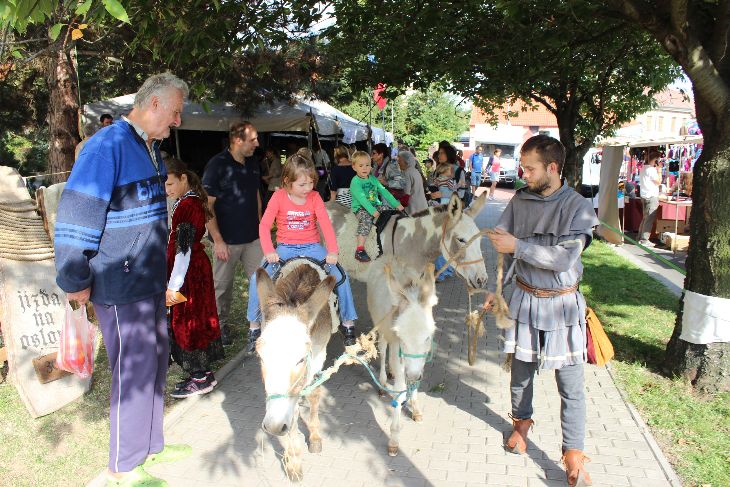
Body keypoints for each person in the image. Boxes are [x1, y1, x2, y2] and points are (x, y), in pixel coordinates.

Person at [54, 73, 191, 485]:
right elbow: (77, 217)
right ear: (154, 104)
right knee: (131, 370)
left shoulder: (150, 148)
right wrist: (74, 277)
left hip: (149, 281)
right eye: (175, 112)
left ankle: (150, 445)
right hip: (118, 283)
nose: (178, 121)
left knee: (155, 361)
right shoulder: (106, 147)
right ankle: (124, 464)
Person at [483, 134, 598, 487]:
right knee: (520, 374)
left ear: (552, 167)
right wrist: (496, 289)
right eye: (523, 167)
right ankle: (521, 425)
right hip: (525, 299)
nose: (524, 174)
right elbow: (504, 250)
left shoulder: (579, 207)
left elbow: (563, 259)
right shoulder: (520, 200)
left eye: (530, 168)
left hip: (563, 306)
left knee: (571, 386)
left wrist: (517, 245)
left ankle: (573, 455)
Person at [246, 155, 359, 346]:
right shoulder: (278, 197)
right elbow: (264, 226)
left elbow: (325, 225)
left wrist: (332, 251)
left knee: (341, 276)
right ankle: (254, 325)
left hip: (312, 246)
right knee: (257, 280)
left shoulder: (315, 197)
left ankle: (348, 321)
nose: (308, 188)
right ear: (287, 181)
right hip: (285, 248)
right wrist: (269, 250)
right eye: (302, 184)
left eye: (311, 182)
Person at [202, 122, 264, 352]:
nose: (257, 144)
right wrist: (218, 240)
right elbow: (207, 206)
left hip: (253, 238)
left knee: (262, 282)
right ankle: (218, 329)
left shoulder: (253, 163)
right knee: (221, 287)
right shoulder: (217, 165)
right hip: (226, 240)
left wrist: (261, 227)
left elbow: (256, 195)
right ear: (238, 140)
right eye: (253, 139)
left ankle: (261, 325)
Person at [164, 158, 223, 399]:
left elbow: (184, 249)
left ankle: (200, 377)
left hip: (188, 275)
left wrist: (173, 286)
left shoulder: (188, 205)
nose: (167, 189)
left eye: (170, 184)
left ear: (183, 178)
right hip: (191, 271)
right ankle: (203, 374)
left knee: (189, 321)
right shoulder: (187, 202)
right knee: (195, 318)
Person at [350, 150, 404, 262]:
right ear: (354, 167)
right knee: (366, 220)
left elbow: (384, 191)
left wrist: (396, 204)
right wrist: (372, 211)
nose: (365, 168)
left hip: (375, 205)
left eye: (367, 165)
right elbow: (362, 199)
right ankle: (360, 249)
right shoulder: (355, 182)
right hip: (361, 207)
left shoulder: (373, 179)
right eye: (361, 165)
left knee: (389, 211)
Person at [638, 151, 662, 246]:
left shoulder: (643, 168)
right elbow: (658, 182)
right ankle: (644, 239)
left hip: (644, 195)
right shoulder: (651, 170)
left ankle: (640, 237)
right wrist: (659, 170)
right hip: (651, 196)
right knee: (649, 218)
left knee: (645, 218)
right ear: (655, 160)